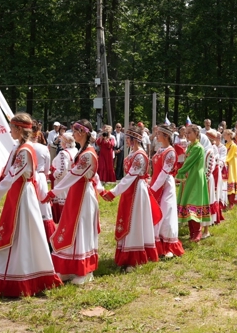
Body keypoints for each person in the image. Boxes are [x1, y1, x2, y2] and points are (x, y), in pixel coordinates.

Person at [0, 113, 61, 296]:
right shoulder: (21, 148)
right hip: (20, 194)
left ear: (19, 129)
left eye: (12, 128)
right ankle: (11, 276)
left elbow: (10, 177)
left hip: (22, 195)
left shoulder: (25, 151)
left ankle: (16, 279)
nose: (9, 131)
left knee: (18, 234)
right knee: (19, 234)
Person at [47, 120, 101, 285]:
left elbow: (73, 175)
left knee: (81, 228)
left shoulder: (88, 154)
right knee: (72, 228)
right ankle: (69, 268)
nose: (73, 134)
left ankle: (85, 270)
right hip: (77, 193)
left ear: (83, 133)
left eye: (75, 131)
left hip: (83, 195)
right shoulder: (82, 152)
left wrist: (53, 192)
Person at [101, 125, 160, 271]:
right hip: (131, 188)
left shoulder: (140, 155)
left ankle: (135, 257)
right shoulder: (133, 153)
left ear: (135, 139)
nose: (126, 140)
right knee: (130, 219)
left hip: (137, 190)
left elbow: (130, 177)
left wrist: (113, 192)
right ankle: (129, 254)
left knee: (135, 221)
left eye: (128, 138)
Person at [151, 125, 184, 257]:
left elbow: (165, 172)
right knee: (158, 211)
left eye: (159, 133)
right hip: (157, 182)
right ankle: (157, 242)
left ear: (165, 136)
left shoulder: (170, 151)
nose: (156, 135)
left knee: (167, 212)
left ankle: (168, 246)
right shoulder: (160, 149)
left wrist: (153, 188)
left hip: (165, 185)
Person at [176, 124, 211, 242]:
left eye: (189, 132)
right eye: (186, 133)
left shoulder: (198, 147)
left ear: (196, 133)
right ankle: (192, 232)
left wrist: (178, 173)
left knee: (194, 202)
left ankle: (197, 232)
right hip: (188, 177)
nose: (187, 135)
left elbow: (188, 163)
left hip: (195, 178)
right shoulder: (190, 146)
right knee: (188, 203)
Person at [50, 132, 78, 227]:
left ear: (65, 142)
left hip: (63, 181)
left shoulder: (63, 153)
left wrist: (53, 174)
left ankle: (63, 221)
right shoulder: (75, 150)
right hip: (71, 179)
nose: (60, 142)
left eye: (61, 141)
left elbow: (62, 170)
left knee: (63, 200)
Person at [223, 129, 237, 205]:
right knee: (226, 181)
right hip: (226, 164)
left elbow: (229, 156)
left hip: (232, 165)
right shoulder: (225, 145)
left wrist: (223, 161)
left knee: (231, 179)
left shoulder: (233, 145)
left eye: (225, 134)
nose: (223, 136)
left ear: (229, 135)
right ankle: (227, 201)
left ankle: (231, 202)